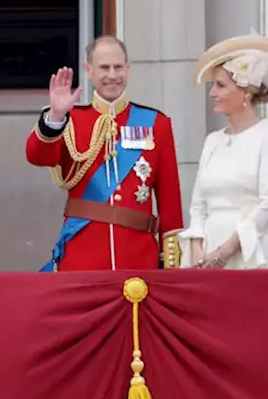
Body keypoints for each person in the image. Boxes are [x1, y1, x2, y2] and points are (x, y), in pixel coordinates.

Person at [26, 36, 184, 271]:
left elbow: (170, 201)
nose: (112, 75)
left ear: (128, 69)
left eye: (118, 67)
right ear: (89, 70)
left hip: (138, 259)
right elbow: (38, 156)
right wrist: (56, 117)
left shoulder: (155, 123)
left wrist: (170, 263)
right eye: (104, 68)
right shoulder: (71, 120)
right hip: (82, 258)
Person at [180, 35, 268, 269]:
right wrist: (197, 250)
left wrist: (226, 250)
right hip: (207, 255)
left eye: (220, 85)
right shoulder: (212, 141)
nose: (212, 93)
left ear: (246, 93)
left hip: (251, 253)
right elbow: (198, 205)